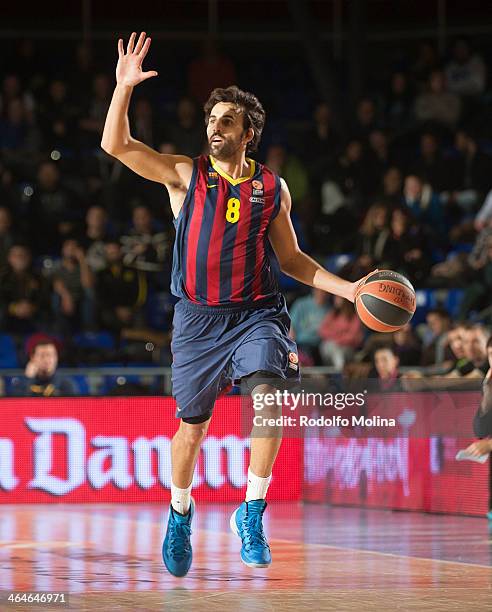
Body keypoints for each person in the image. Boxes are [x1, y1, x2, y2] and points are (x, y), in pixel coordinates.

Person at [101, 32, 368, 577]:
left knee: (270, 402)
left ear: (249, 132)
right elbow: (117, 146)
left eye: (226, 121)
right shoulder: (184, 174)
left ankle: (252, 510)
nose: (214, 128)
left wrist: (350, 290)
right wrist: (123, 89)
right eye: (211, 120)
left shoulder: (273, 188)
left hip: (256, 315)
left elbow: (291, 259)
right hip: (197, 319)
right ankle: (179, 512)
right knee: (191, 430)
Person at [10, 333, 78, 397]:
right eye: (42, 355)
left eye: (50, 355)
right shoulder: (21, 384)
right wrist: (28, 379)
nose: (46, 360)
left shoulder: (66, 384)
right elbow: (17, 406)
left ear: (56, 357)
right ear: (32, 357)